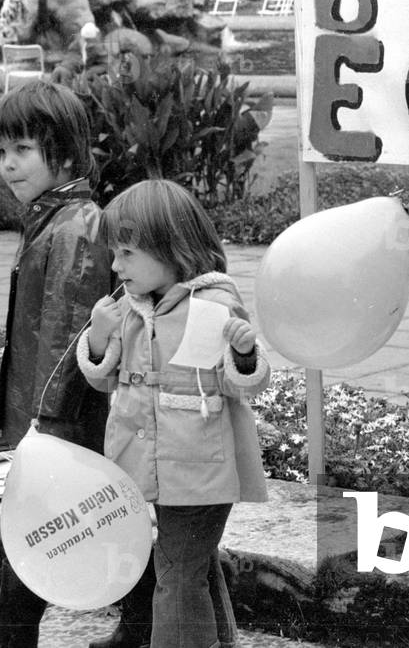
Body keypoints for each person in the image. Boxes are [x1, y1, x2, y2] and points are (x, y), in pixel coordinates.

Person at [0, 80, 121, 648]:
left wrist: (47, 420)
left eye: (22, 150)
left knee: (54, 514)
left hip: (63, 410)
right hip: (55, 409)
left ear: (65, 154)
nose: (7, 165)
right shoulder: (54, 218)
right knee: (80, 516)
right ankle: (23, 628)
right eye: (0, 152)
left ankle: (12, 629)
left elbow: (65, 332)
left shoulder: (76, 227)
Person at [77, 179, 270, 648]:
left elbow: (243, 381)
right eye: (114, 253)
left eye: (126, 253)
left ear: (171, 247)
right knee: (190, 565)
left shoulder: (213, 305)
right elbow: (102, 377)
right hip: (159, 468)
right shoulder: (128, 307)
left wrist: (243, 355)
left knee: (178, 575)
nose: (115, 265)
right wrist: (99, 337)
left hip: (200, 468)